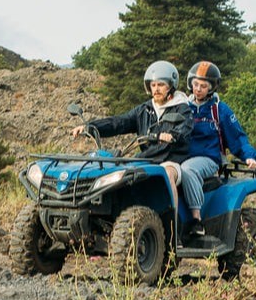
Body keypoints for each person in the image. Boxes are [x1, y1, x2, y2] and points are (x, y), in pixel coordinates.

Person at [73, 61, 193, 209]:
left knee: (166, 174)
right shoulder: (145, 110)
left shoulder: (182, 108)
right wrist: (90, 127)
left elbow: (184, 130)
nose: (156, 89)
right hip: (147, 159)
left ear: (171, 86)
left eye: (161, 85)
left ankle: (172, 222)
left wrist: (172, 135)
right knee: (118, 174)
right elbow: (119, 122)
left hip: (170, 160)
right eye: (153, 85)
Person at [178, 60, 256, 240]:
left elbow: (237, 137)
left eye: (203, 86)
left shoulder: (219, 110)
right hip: (181, 156)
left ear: (211, 88)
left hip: (208, 158)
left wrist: (249, 157)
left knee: (188, 170)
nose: (198, 89)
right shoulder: (183, 108)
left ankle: (196, 221)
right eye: (196, 84)